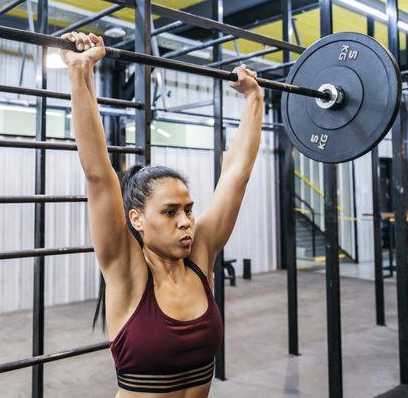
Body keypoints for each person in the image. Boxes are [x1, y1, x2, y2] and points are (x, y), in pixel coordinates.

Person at [60, 32, 263, 397]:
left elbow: (237, 175)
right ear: (136, 219)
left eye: (188, 210)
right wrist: (80, 72)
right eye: (170, 212)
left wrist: (254, 97)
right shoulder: (126, 270)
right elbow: (98, 175)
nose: (185, 221)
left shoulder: (200, 256)